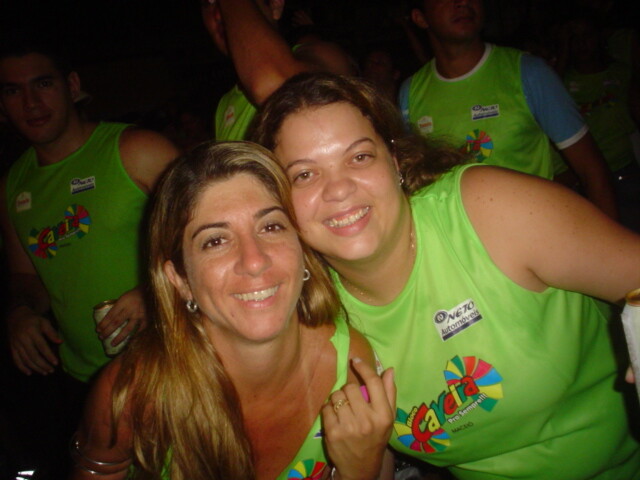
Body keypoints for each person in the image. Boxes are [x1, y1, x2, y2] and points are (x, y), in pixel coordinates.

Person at [251, 72, 640, 479]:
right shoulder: (317, 328)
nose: (338, 189)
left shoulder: (487, 211)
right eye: (305, 175)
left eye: (359, 157)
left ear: (395, 163)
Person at [70, 141, 396, 480]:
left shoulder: (351, 366)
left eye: (271, 226)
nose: (254, 261)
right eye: (215, 241)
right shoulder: (132, 394)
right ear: (180, 280)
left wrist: (359, 470)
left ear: (301, 248)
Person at [0, 40, 180, 476]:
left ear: (72, 85)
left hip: (171, 362)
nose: (31, 102)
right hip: (83, 380)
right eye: (13, 91)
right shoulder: (12, 186)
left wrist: (154, 290)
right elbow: (27, 276)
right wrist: (20, 313)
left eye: (43, 84)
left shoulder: (137, 149)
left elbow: (216, 235)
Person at [399, 0, 618, 220]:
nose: (463, 2)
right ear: (421, 18)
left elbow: (593, 172)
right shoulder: (411, 93)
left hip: (534, 235)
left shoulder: (528, 73)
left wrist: (607, 240)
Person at [201, 0, 356, 141]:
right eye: (208, 3)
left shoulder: (326, 55)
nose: (219, 14)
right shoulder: (224, 104)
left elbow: (284, 92)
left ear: (275, 6)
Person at [561, 14, 640, 232]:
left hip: (625, 173)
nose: (582, 43)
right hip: (583, 181)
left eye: (587, 36)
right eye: (575, 38)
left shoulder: (623, 74)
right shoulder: (559, 83)